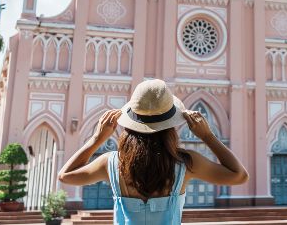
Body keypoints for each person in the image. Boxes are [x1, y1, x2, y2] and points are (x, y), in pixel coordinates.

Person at [58, 79, 248, 224]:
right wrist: (207, 136)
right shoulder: (185, 164)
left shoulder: (112, 163)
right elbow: (239, 176)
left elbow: (65, 176)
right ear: (170, 125)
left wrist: (96, 139)